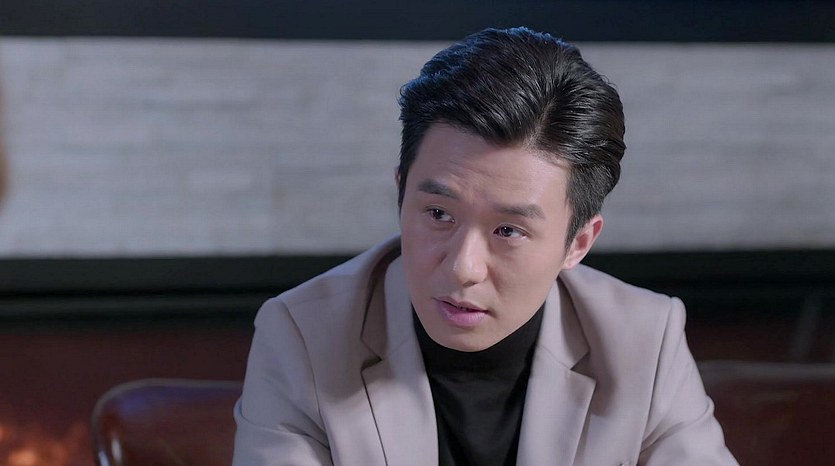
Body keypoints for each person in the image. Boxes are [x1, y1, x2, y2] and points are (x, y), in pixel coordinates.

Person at [233, 27, 738, 465]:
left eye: (509, 231)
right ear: (401, 192)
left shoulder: (645, 340)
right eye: (438, 214)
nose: (463, 268)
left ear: (578, 243)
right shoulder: (303, 335)